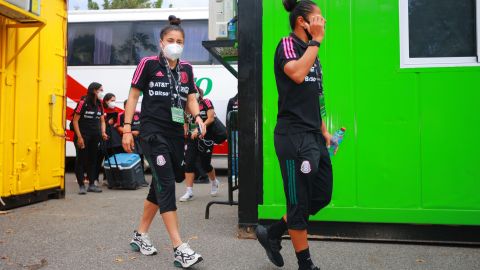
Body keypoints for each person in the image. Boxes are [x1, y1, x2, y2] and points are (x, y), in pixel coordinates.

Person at [122, 15, 205, 268]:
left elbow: (191, 98)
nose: (175, 44)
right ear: (161, 42)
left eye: (179, 41)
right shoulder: (147, 64)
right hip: (151, 133)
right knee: (167, 184)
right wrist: (127, 128)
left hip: (175, 135)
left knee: (158, 185)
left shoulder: (186, 69)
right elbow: (133, 97)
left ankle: (140, 234)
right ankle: (179, 247)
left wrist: (198, 117)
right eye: (171, 40)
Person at [255, 1, 332, 270]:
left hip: (313, 135)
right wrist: (317, 41)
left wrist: (324, 130)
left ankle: (273, 232)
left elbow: (318, 93)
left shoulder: (314, 53)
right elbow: (298, 75)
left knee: (321, 196)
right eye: (319, 18)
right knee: (298, 202)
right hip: (293, 136)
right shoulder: (288, 45)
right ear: (303, 22)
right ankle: (306, 264)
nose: (323, 23)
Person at [179, 88, 220, 202]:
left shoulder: (206, 102)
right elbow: (186, 121)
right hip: (192, 138)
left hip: (207, 137)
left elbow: (211, 118)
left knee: (205, 164)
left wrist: (199, 128)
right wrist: (185, 129)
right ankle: (189, 191)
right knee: (189, 162)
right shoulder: (187, 106)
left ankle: (214, 183)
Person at [71, 82, 108, 195]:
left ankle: (91, 184)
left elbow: (102, 120)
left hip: (95, 137)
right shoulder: (83, 103)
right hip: (83, 136)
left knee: (93, 161)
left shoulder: (99, 104)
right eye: (100, 90)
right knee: (81, 160)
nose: (102, 92)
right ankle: (81, 185)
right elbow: (75, 120)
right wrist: (79, 137)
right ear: (94, 90)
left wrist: (103, 132)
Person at [117, 100, 149, 187]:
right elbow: (119, 127)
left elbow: (145, 124)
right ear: (124, 107)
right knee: (131, 159)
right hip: (128, 140)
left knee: (140, 159)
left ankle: (142, 180)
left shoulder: (139, 113)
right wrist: (130, 133)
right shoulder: (121, 115)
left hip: (140, 140)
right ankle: (132, 180)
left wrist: (139, 132)